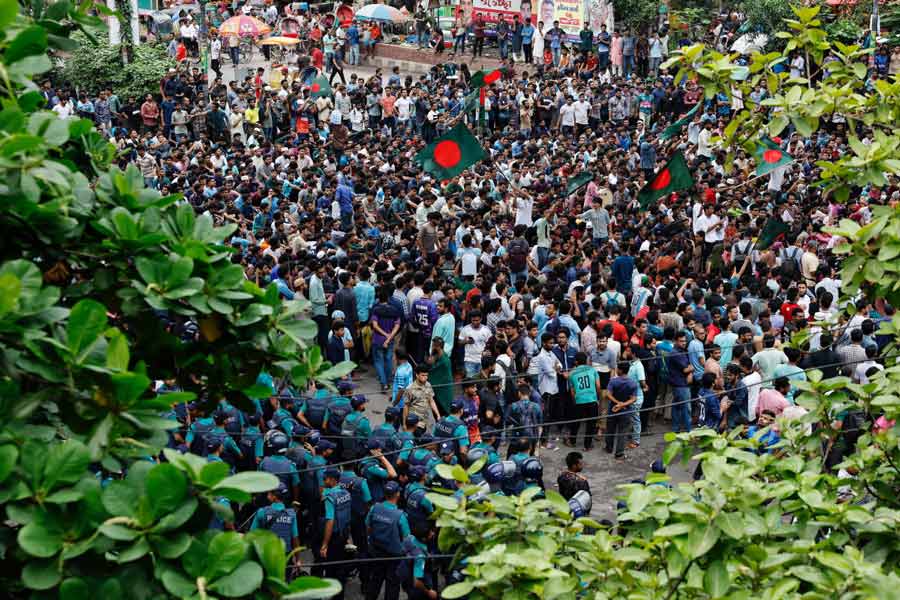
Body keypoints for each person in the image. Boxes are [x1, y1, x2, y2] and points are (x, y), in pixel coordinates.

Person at [365, 480, 410, 600]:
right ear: (397, 494)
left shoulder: (374, 508)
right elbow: (407, 539)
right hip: (394, 557)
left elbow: (368, 527)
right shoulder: (400, 516)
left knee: (375, 580)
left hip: (376, 551)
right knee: (392, 585)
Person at [605, 360, 637, 459]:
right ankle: (619, 453)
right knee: (622, 433)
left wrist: (617, 403)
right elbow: (633, 398)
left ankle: (609, 448)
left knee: (610, 429)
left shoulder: (613, 381)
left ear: (620, 370)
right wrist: (623, 404)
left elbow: (608, 394)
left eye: (618, 369)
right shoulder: (632, 383)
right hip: (626, 411)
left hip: (613, 410)